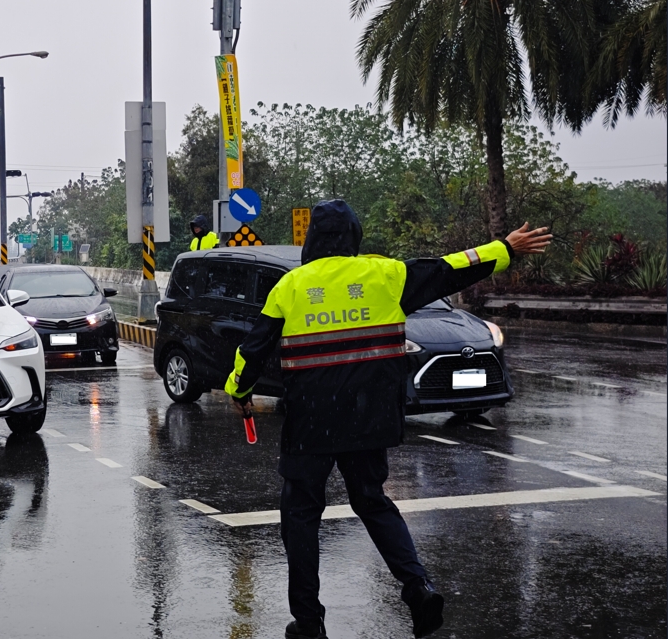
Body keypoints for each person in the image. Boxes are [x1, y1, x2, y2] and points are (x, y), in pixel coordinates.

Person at [223, 199, 552, 639]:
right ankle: (417, 587)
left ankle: (308, 621)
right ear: (355, 236)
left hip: (311, 423)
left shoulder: (292, 286)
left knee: (300, 514)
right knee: (373, 502)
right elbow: (451, 267)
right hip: (369, 418)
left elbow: (252, 350)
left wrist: (238, 392)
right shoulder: (386, 275)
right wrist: (504, 247)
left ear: (312, 240)